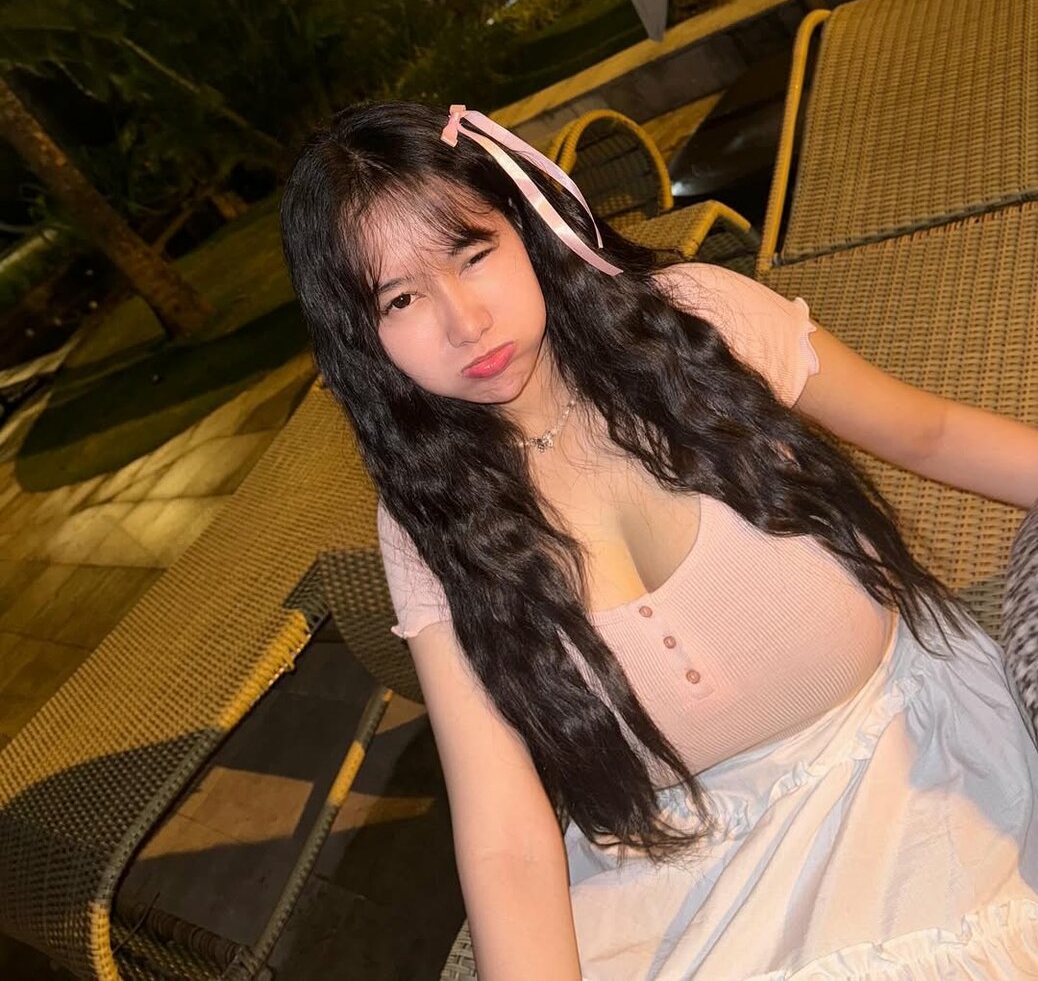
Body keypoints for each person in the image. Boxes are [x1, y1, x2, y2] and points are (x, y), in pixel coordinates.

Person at [280, 101, 1038, 980]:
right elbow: (505, 836)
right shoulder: (426, 515)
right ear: (362, 340)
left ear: (530, 225)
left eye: (473, 253)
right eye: (402, 299)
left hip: (912, 769)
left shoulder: (694, 324)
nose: (465, 321)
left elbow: (930, 434)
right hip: (678, 872)